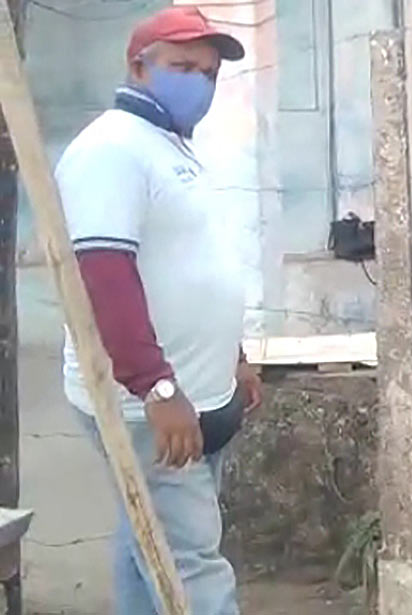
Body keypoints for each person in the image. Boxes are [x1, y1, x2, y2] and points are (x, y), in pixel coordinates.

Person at [55, 7, 262, 614]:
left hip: (200, 393)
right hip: (153, 408)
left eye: (208, 72)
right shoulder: (111, 150)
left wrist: (236, 356)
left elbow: (193, 260)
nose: (198, 83)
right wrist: (157, 386)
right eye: (181, 67)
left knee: (146, 540)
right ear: (137, 67)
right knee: (191, 562)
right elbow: (104, 276)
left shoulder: (169, 146)